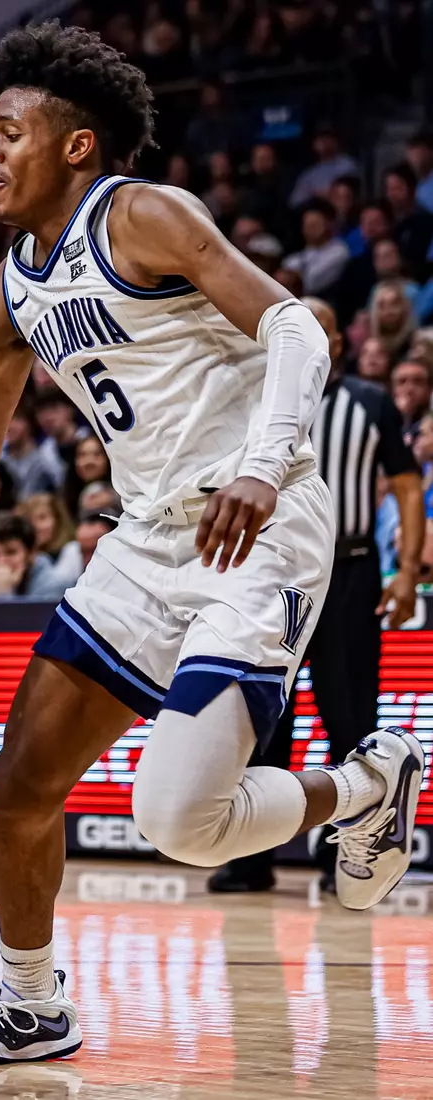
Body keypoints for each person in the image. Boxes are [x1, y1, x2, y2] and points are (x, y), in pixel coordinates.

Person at [0, 22, 423, 1066]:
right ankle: (30, 1003)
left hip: (259, 520)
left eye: (8, 133)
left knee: (180, 818)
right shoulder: (10, 288)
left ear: (75, 146)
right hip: (146, 538)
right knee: (20, 782)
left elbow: (299, 328)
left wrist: (263, 465)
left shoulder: (141, 213)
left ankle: (365, 783)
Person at [209, 299, 424, 893]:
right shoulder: (256, 400)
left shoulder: (369, 402)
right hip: (272, 575)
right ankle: (252, 859)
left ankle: (351, 856)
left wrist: (405, 571)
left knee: (349, 717)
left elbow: (407, 484)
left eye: (323, 324)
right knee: (263, 719)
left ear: (335, 340)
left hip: (351, 571)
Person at [391, 359, 433, 444]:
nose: (409, 389)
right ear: (392, 389)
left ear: (429, 389)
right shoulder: (381, 425)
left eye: (418, 382)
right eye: (402, 381)